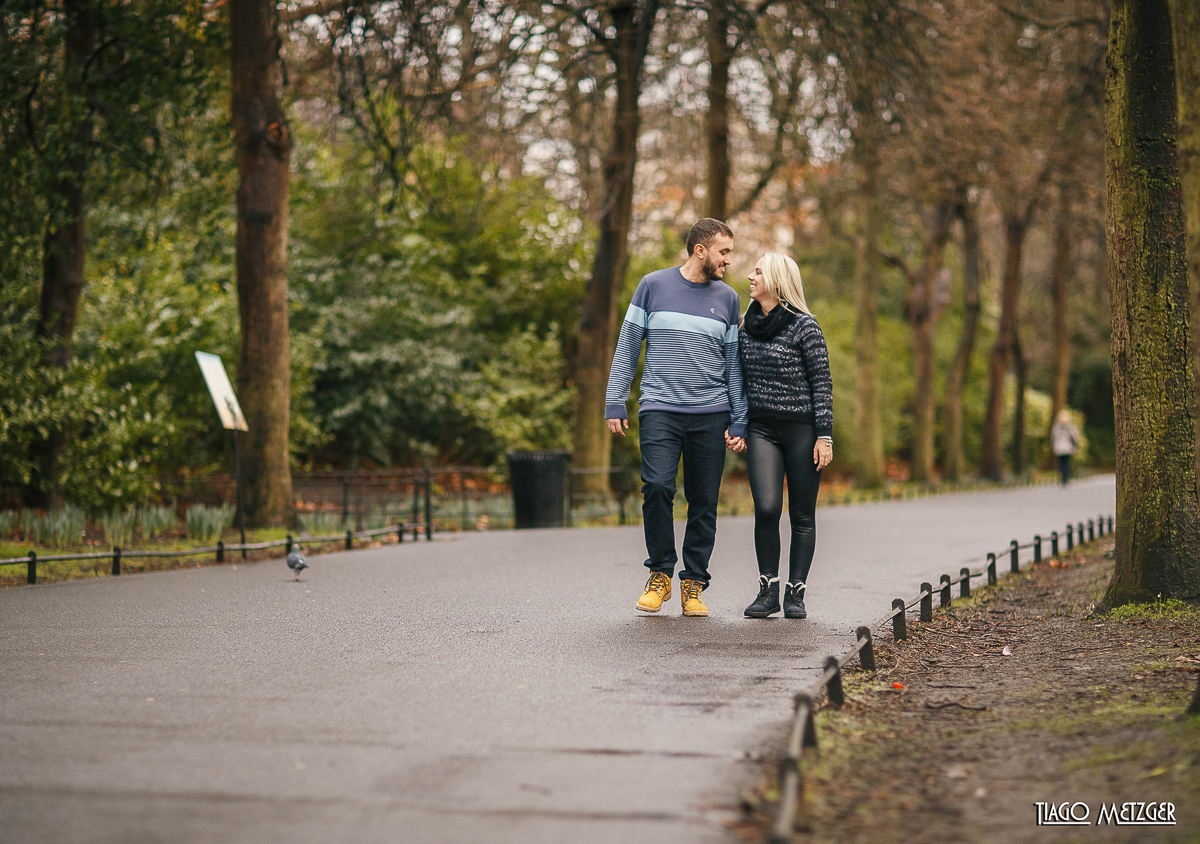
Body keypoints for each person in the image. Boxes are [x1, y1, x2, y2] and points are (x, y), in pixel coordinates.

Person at [605, 218, 748, 617]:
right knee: (656, 487)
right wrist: (615, 400)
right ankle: (661, 575)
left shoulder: (728, 298)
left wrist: (739, 419)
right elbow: (628, 343)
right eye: (724, 252)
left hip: (711, 412)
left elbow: (733, 365)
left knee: (703, 501)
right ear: (700, 250)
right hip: (659, 409)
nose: (728, 261)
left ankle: (694, 584)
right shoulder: (653, 285)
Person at [732, 253, 833, 620]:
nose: (749, 276)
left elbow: (822, 383)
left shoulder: (805, 326)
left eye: (758, 271)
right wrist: (738, 424)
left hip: (803, 430)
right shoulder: (744, 327)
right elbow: (738, 381)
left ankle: (796, 593)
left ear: (776, 278)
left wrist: (825, 436)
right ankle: (767, 591)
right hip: (762, 429)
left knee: (802, 515)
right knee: (768, 508)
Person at [1051, 409, 1081, 486]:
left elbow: (1053, 437)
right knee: (1066, 462)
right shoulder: (1070, 426)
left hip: (1059, 447)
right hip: (1067, 447)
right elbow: (1075, 436)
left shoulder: (1056, 426)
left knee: (1061, 463)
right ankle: (1066, 477)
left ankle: (1062, 478)